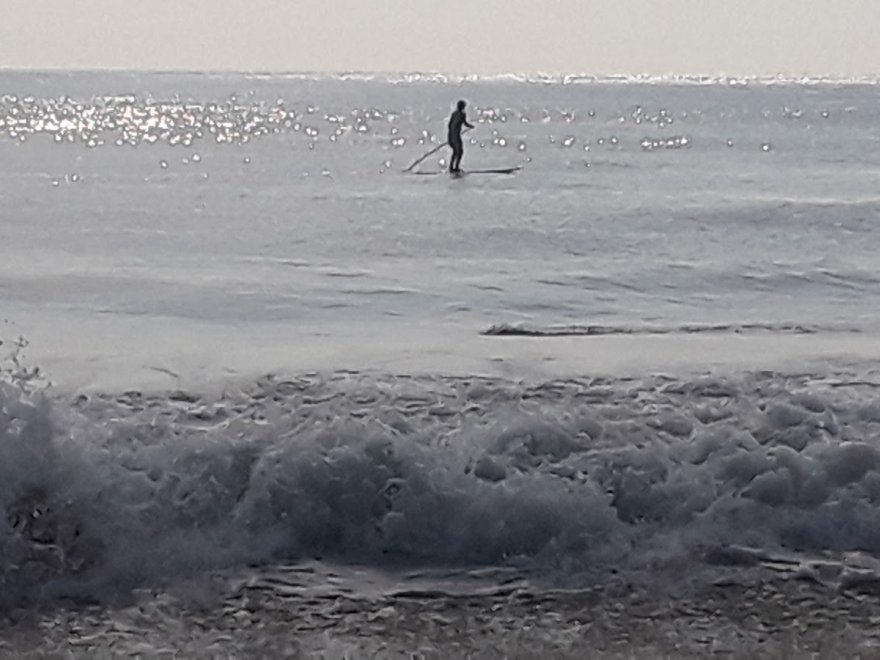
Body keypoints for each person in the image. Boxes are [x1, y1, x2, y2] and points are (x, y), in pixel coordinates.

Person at [447, 100, 474, 174]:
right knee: (459, 151)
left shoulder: (454, 114)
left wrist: (450, 135)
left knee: (456, 152)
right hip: (455, 136)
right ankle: (454, 167)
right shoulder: (461, 114)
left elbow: (450, 125)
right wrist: (471, 126)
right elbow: (464, 123)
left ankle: (452, 167)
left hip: (452, 135)